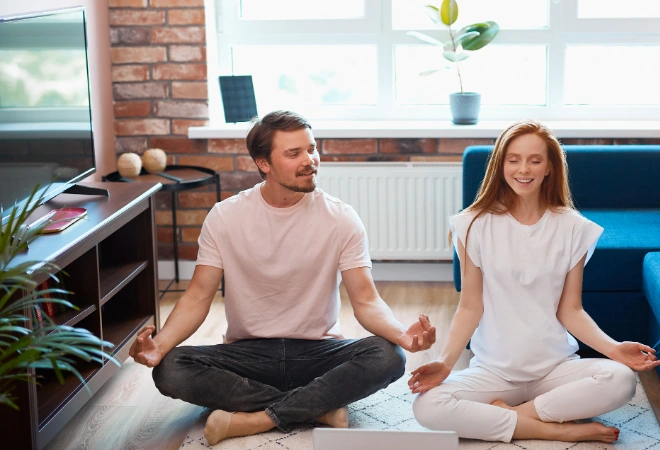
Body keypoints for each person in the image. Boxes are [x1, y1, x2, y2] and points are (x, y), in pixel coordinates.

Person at [129, 110, 437, 446]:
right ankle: (316, 407)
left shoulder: (341, 218)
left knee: (389, 356)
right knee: (171, 368)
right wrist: (159, 347)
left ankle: (258, 417)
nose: (310, 161)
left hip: (317, 352)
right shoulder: (225, 217)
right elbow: (198, 297)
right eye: (294, 154)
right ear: (264, 163)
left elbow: (365, 300)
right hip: (248, 355)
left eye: (312, 149)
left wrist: (401, 336)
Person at [409, 120, 660, 444]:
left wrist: (614, 349)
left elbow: (570, 311)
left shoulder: (573, 228)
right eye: (513, 159)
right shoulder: (473, 225)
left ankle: (517, 416)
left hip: (554, 369)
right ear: (501, 165)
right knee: (427, 406)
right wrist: (444, 363)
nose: (523, 169)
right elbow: (470, 306)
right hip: (494, 371)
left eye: (535, 160)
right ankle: (553, 428)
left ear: (549, 169)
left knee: (621, 380)